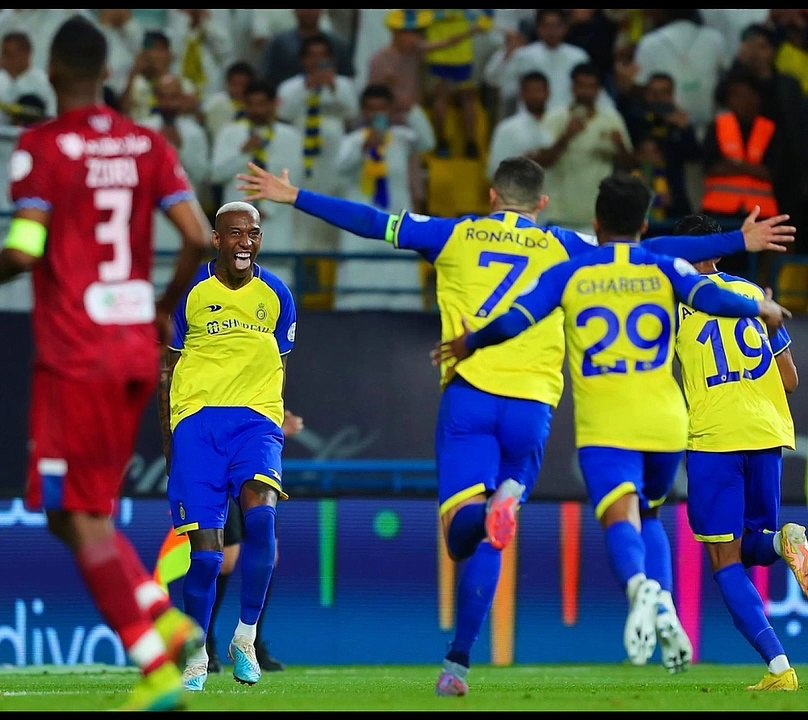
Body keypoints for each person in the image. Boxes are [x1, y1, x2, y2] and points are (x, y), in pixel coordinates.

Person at [236, 157, 795, 694]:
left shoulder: (455, 235)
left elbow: (373, 224)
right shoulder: (563, 245)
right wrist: (735, 243)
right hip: (537, 409)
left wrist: (296, 197)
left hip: (472, 396)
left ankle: (478, 561)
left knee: (462, 532)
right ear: (543, 203)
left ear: (492, 196)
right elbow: (651, 253)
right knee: (549, 528)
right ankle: (458, 660)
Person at [433, 172, 792, 675]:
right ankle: (663, 601)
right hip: (667, 420)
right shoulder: (665, 267)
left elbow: (518, 318)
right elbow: (711, 298)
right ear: (644, 223)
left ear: (597, 221)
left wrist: (472, 343)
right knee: (648, 516)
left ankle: (640, 588)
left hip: (608, 420)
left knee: (620, 517)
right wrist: (762, 305)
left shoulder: (573, 271)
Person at [0, 15, 211, 712]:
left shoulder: (41, 146)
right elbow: (199, 236)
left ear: (53, 73)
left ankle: (153, 665)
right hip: (132, 350)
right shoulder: (148, 144)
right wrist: (162, 304)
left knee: (79, 514)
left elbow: (25, 247)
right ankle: (163, 614)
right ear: (108, 76)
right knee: (68, 509)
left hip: (75, 354)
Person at [158, 201, 297, 692]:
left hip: (256, 423)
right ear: (216, 239)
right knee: (208, 557)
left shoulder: (278, 294)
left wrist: (277, 416)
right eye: (234, 233)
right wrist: (170, 440)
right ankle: (196, 651)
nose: (245, 242)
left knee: (262, 519)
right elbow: (167, 367)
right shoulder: (189, 293)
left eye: (253, 233)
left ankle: (246, 636)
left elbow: (279, 363)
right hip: (196, 426)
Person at [672, 213, 804, 692]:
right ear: (721, 251)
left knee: (724, 561)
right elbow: (789, 380)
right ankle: (784, 539)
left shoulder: (674, 301)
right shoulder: (753, 294)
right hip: (768, 433)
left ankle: (779, 668)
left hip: (715, 437)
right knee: (754, 544)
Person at [153, 409, 304, 675]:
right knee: (223, 558)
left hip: (251, 455)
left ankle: (251, 639)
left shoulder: (262, 380)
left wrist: (280, 422)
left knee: (268, 547)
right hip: (214, 455)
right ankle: (204, 641)